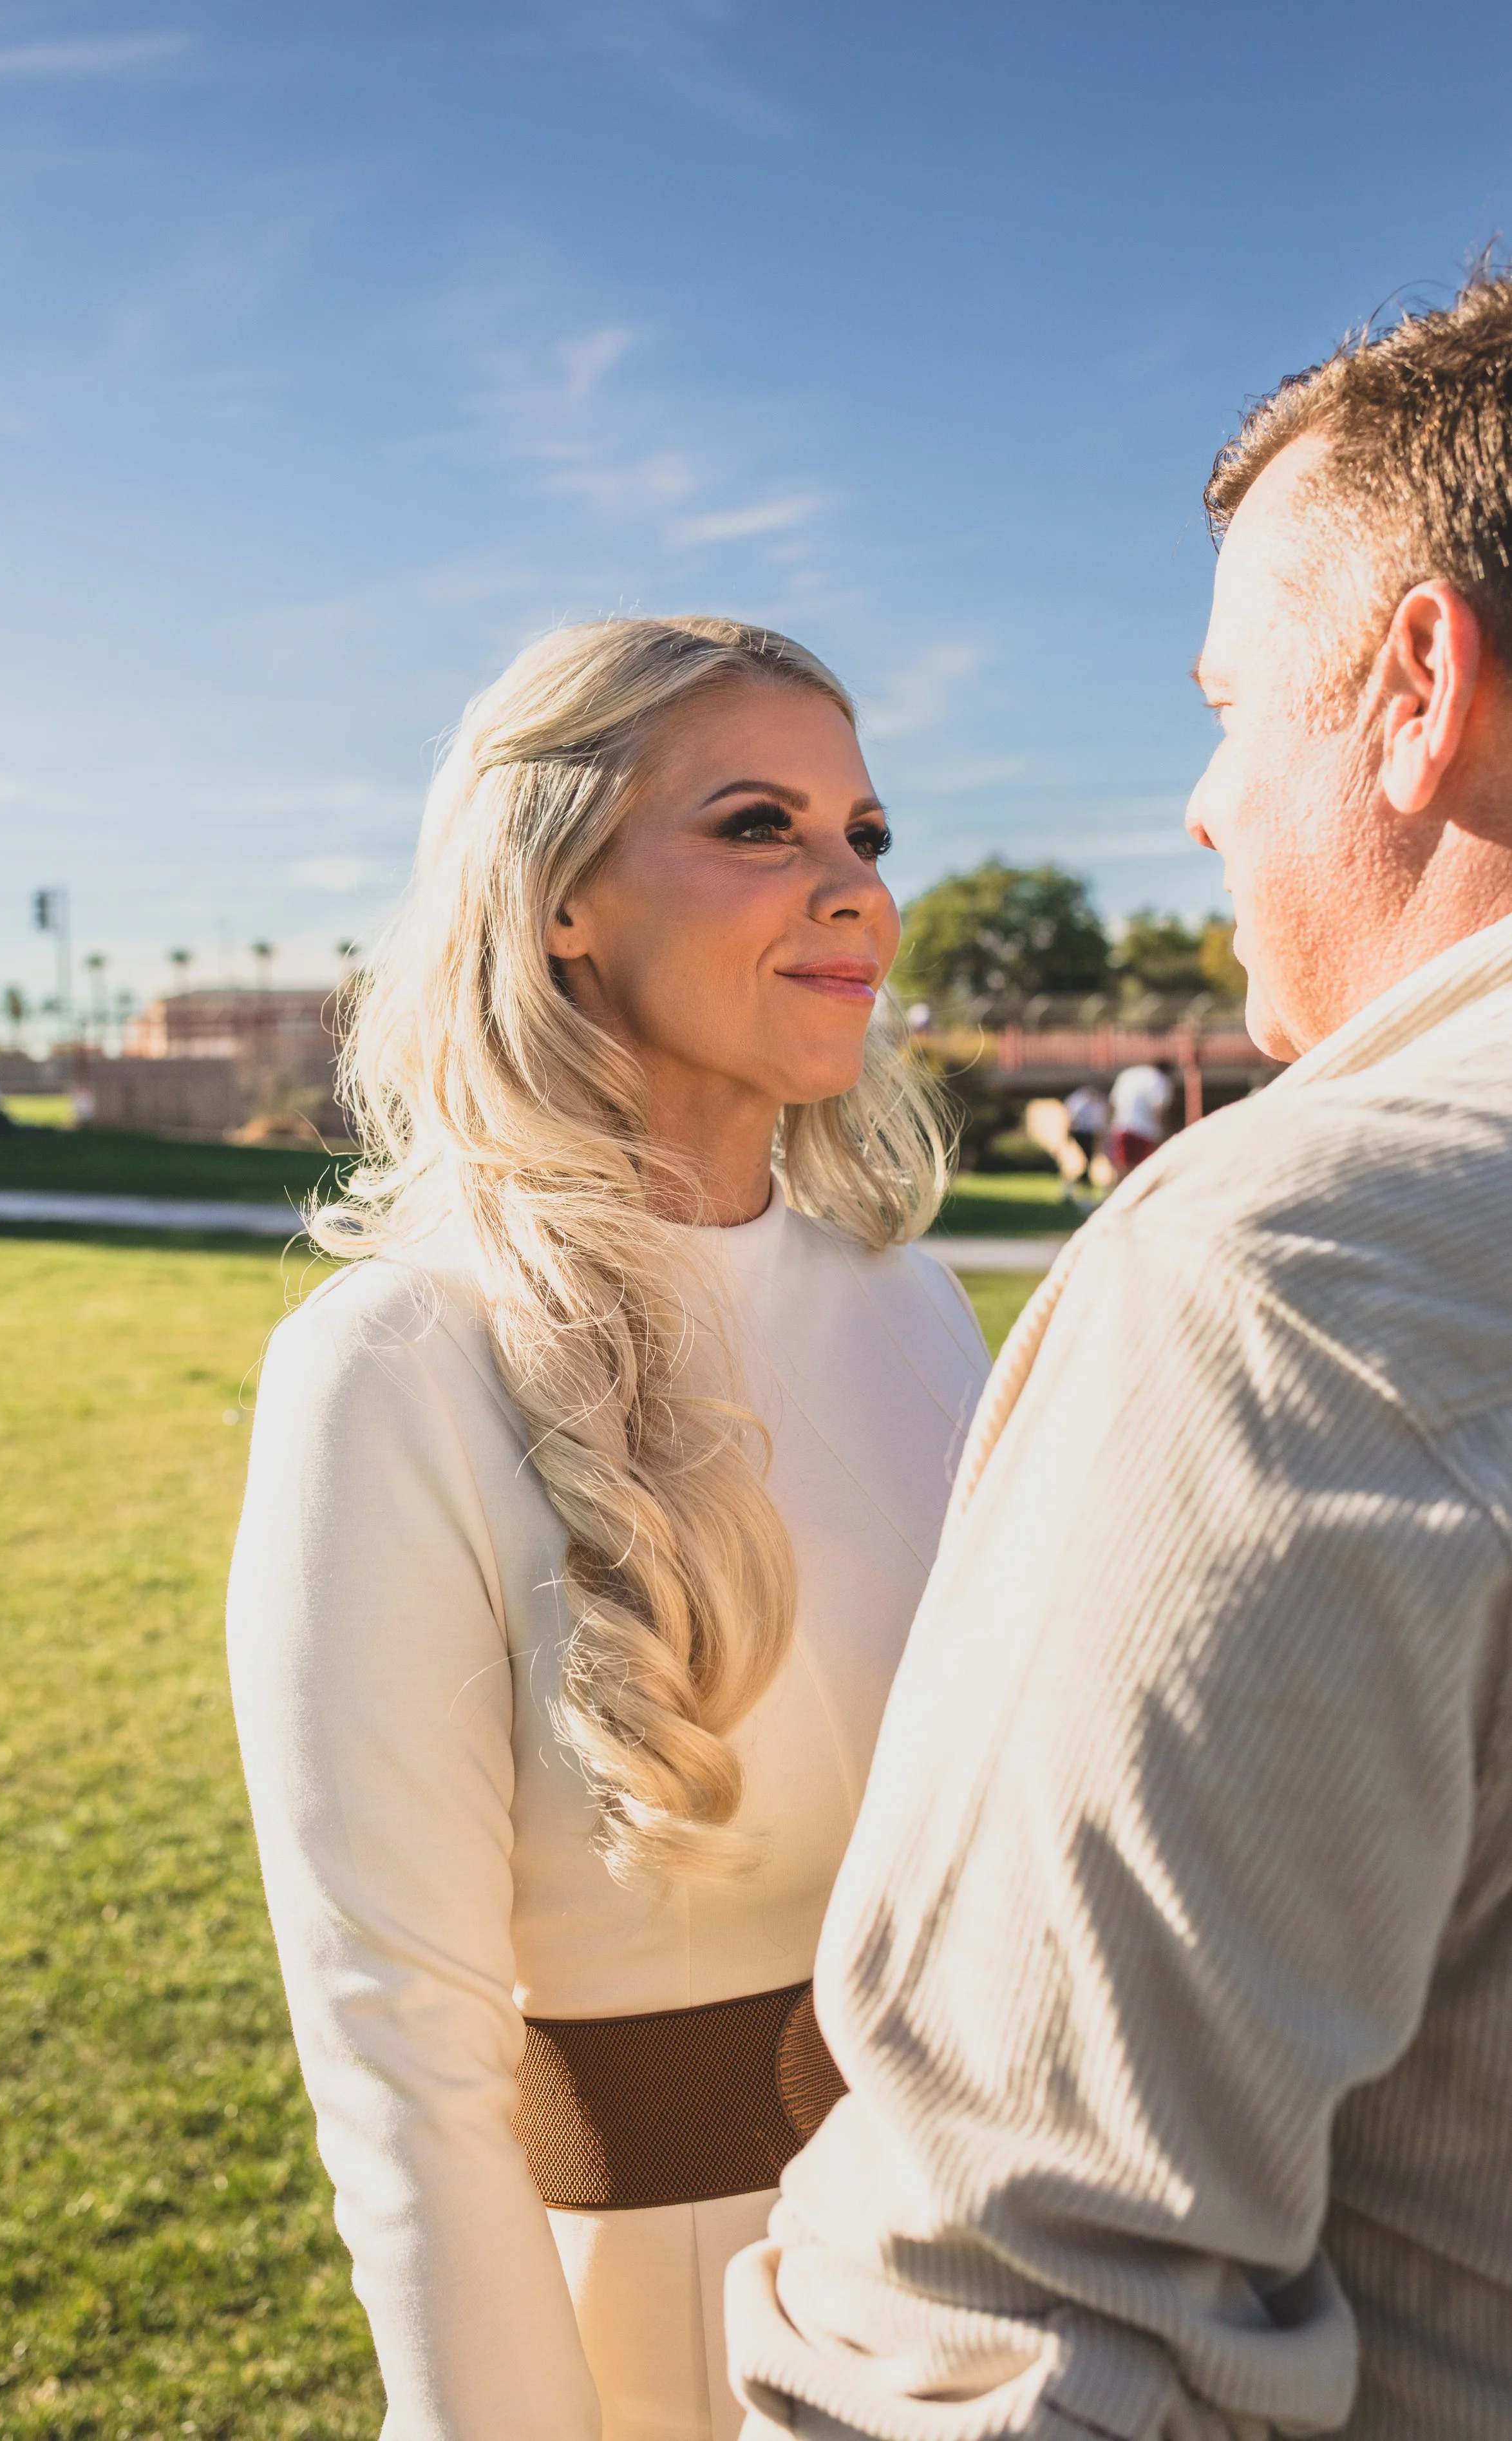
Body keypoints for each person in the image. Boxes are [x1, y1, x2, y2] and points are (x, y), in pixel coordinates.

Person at [728, 272, 1512, 2436]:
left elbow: (1005, 2326)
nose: (1194, 804)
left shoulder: (1298, 1275)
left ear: (1417, 688)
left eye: (1224, 703)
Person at [226, 618, 990, 2441]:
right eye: (758, 825)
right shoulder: (391, 1362)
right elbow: (397, 2047)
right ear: (558, 892)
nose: (852, 893)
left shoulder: (920, 1309)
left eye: (865, 837)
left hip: (979, 2275)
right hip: (655, 2328)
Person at [1104, 1058, 1169, 1176]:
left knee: (1123, 1167)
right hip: (1144, 1131)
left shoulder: (1128, 1075)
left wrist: (1108, 1127)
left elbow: (1112, 1104)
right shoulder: (1159, 1079)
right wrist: (1161, 1132)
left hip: (1121, 1126)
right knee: (1144, 1170)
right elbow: (1157, 1109)